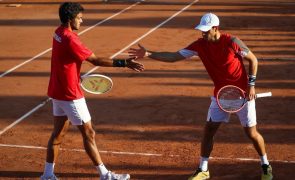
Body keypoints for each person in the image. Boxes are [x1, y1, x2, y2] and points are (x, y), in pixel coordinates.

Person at [128, 13, 273, 180]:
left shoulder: (232, 42)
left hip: (243, 95)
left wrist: (251, 85)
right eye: (201, 30)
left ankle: (265, 165)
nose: (202, 33)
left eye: (205, 30)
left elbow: (253, 60)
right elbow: (175, 56)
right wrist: (148, 54)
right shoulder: (199, 45)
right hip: (220, 95)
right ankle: (203, 169)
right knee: (209, 130)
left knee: (251, 133)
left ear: (215, 28)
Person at [41, 2, 144, 180]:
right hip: (70, 94)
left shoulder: (57, 32)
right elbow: (95, 60)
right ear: (69, 19)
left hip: (57, 90)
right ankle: (105, 175)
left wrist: (74, 75)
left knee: (57, 134)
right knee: (89, 133)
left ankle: (47, 175)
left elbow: (64, 61)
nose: (82, 20)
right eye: (79, 18)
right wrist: (124, 63)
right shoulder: (71, 39)